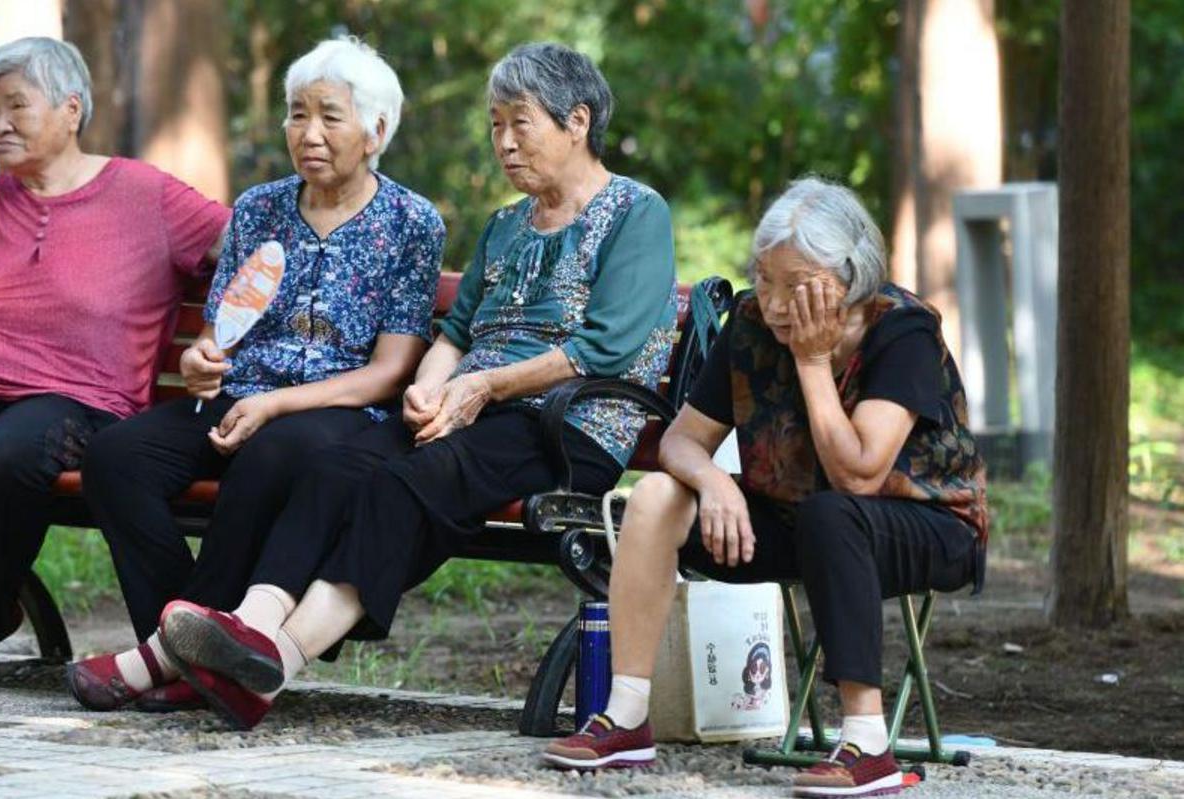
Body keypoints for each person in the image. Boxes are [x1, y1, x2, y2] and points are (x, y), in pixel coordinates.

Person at [150, 42, 681, 731]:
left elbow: (603, 346)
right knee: (339, 463)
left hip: (568, 421)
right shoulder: (506, 225)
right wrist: (430, 389)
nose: (504, 143)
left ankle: (272, 663)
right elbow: (455, 332)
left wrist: (482, 387)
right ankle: (253, 624)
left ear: (577, 121)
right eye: (495, 125)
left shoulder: (636, 213)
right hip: (472, 410)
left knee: (409, 482)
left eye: (520, 123)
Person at [541, 177, 987, 798]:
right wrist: (711, 484)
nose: (775, 303)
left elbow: (858, 474)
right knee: (656, 496)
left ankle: (868, 745)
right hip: (793, 517)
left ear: (849, 276)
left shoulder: (901, 331)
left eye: (794, 284)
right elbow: (679, 442)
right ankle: (626, 716)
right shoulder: (751, 322)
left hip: (926, 521)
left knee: (834, 513)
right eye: (765, 278)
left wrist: (811, 362)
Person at [66, 37, 445, 714]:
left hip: (338, 408)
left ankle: (166, 657)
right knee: (117, 458)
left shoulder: (412, 223)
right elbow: (218, 332)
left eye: (331, 116)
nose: (309, 133)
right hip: (240, 394)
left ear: (377, 130)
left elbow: (390, 373)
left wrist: (277, 406)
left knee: (273, 450)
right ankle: (196, 647)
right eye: (298, 115)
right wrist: (199, 359)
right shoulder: (260, 208)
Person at [0, 37, 230, 687]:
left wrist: (222, 332)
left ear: (70, 109)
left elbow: (250, 246)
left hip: (81, 400)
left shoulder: (147, 195)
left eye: (15, 106)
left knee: (7, 457)